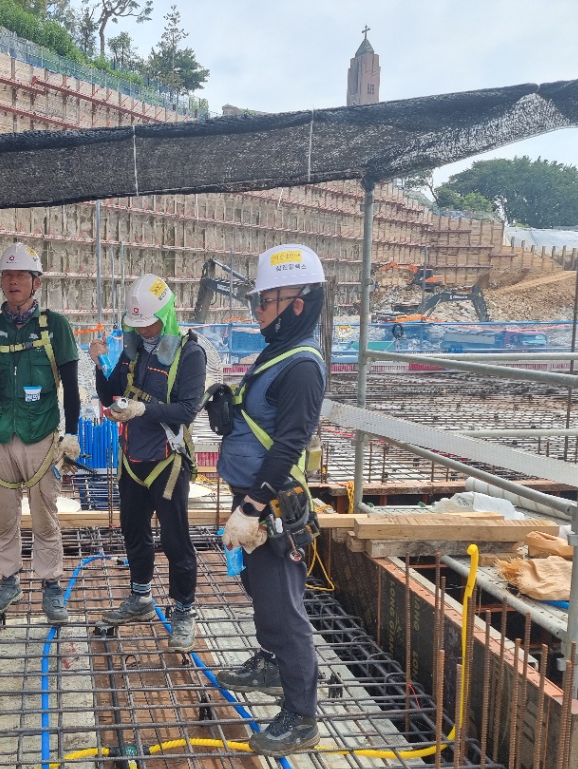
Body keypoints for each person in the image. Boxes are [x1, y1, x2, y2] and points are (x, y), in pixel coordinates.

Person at [216, 243, 327, 757]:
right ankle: (271, 665)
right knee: (260, 590)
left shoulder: (302, 365)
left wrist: (253, 506)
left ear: (296, 303)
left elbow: (289, 442)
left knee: (284, 609)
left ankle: (302, 717)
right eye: (256, 300)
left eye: (264, 301)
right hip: (254, 498)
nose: (257, 309)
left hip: (272, 504)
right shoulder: (278, 350)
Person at [0, 242, 81, 625]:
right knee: (4, 515)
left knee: (45, 515)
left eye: (20, 276)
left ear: (36, 283)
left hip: (40, 435)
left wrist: (72, 434)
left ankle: (51, 584)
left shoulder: (54, 327)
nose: (13, 281)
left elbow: (72, 387)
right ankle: (9, 580)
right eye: (7, 275)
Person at [88, 274, 207, 652]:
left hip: (166, 461)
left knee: (175, 539)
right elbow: (111, 394)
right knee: (134, 531)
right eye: (136, 323)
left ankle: (184, 611)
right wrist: (99, 363)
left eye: (149, 323)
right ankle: (140, 597)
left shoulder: (189, 353)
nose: (143, 330)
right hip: (133, 459)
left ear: (166, 315)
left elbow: (187, 410)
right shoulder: (134, 348)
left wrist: (142, 410)